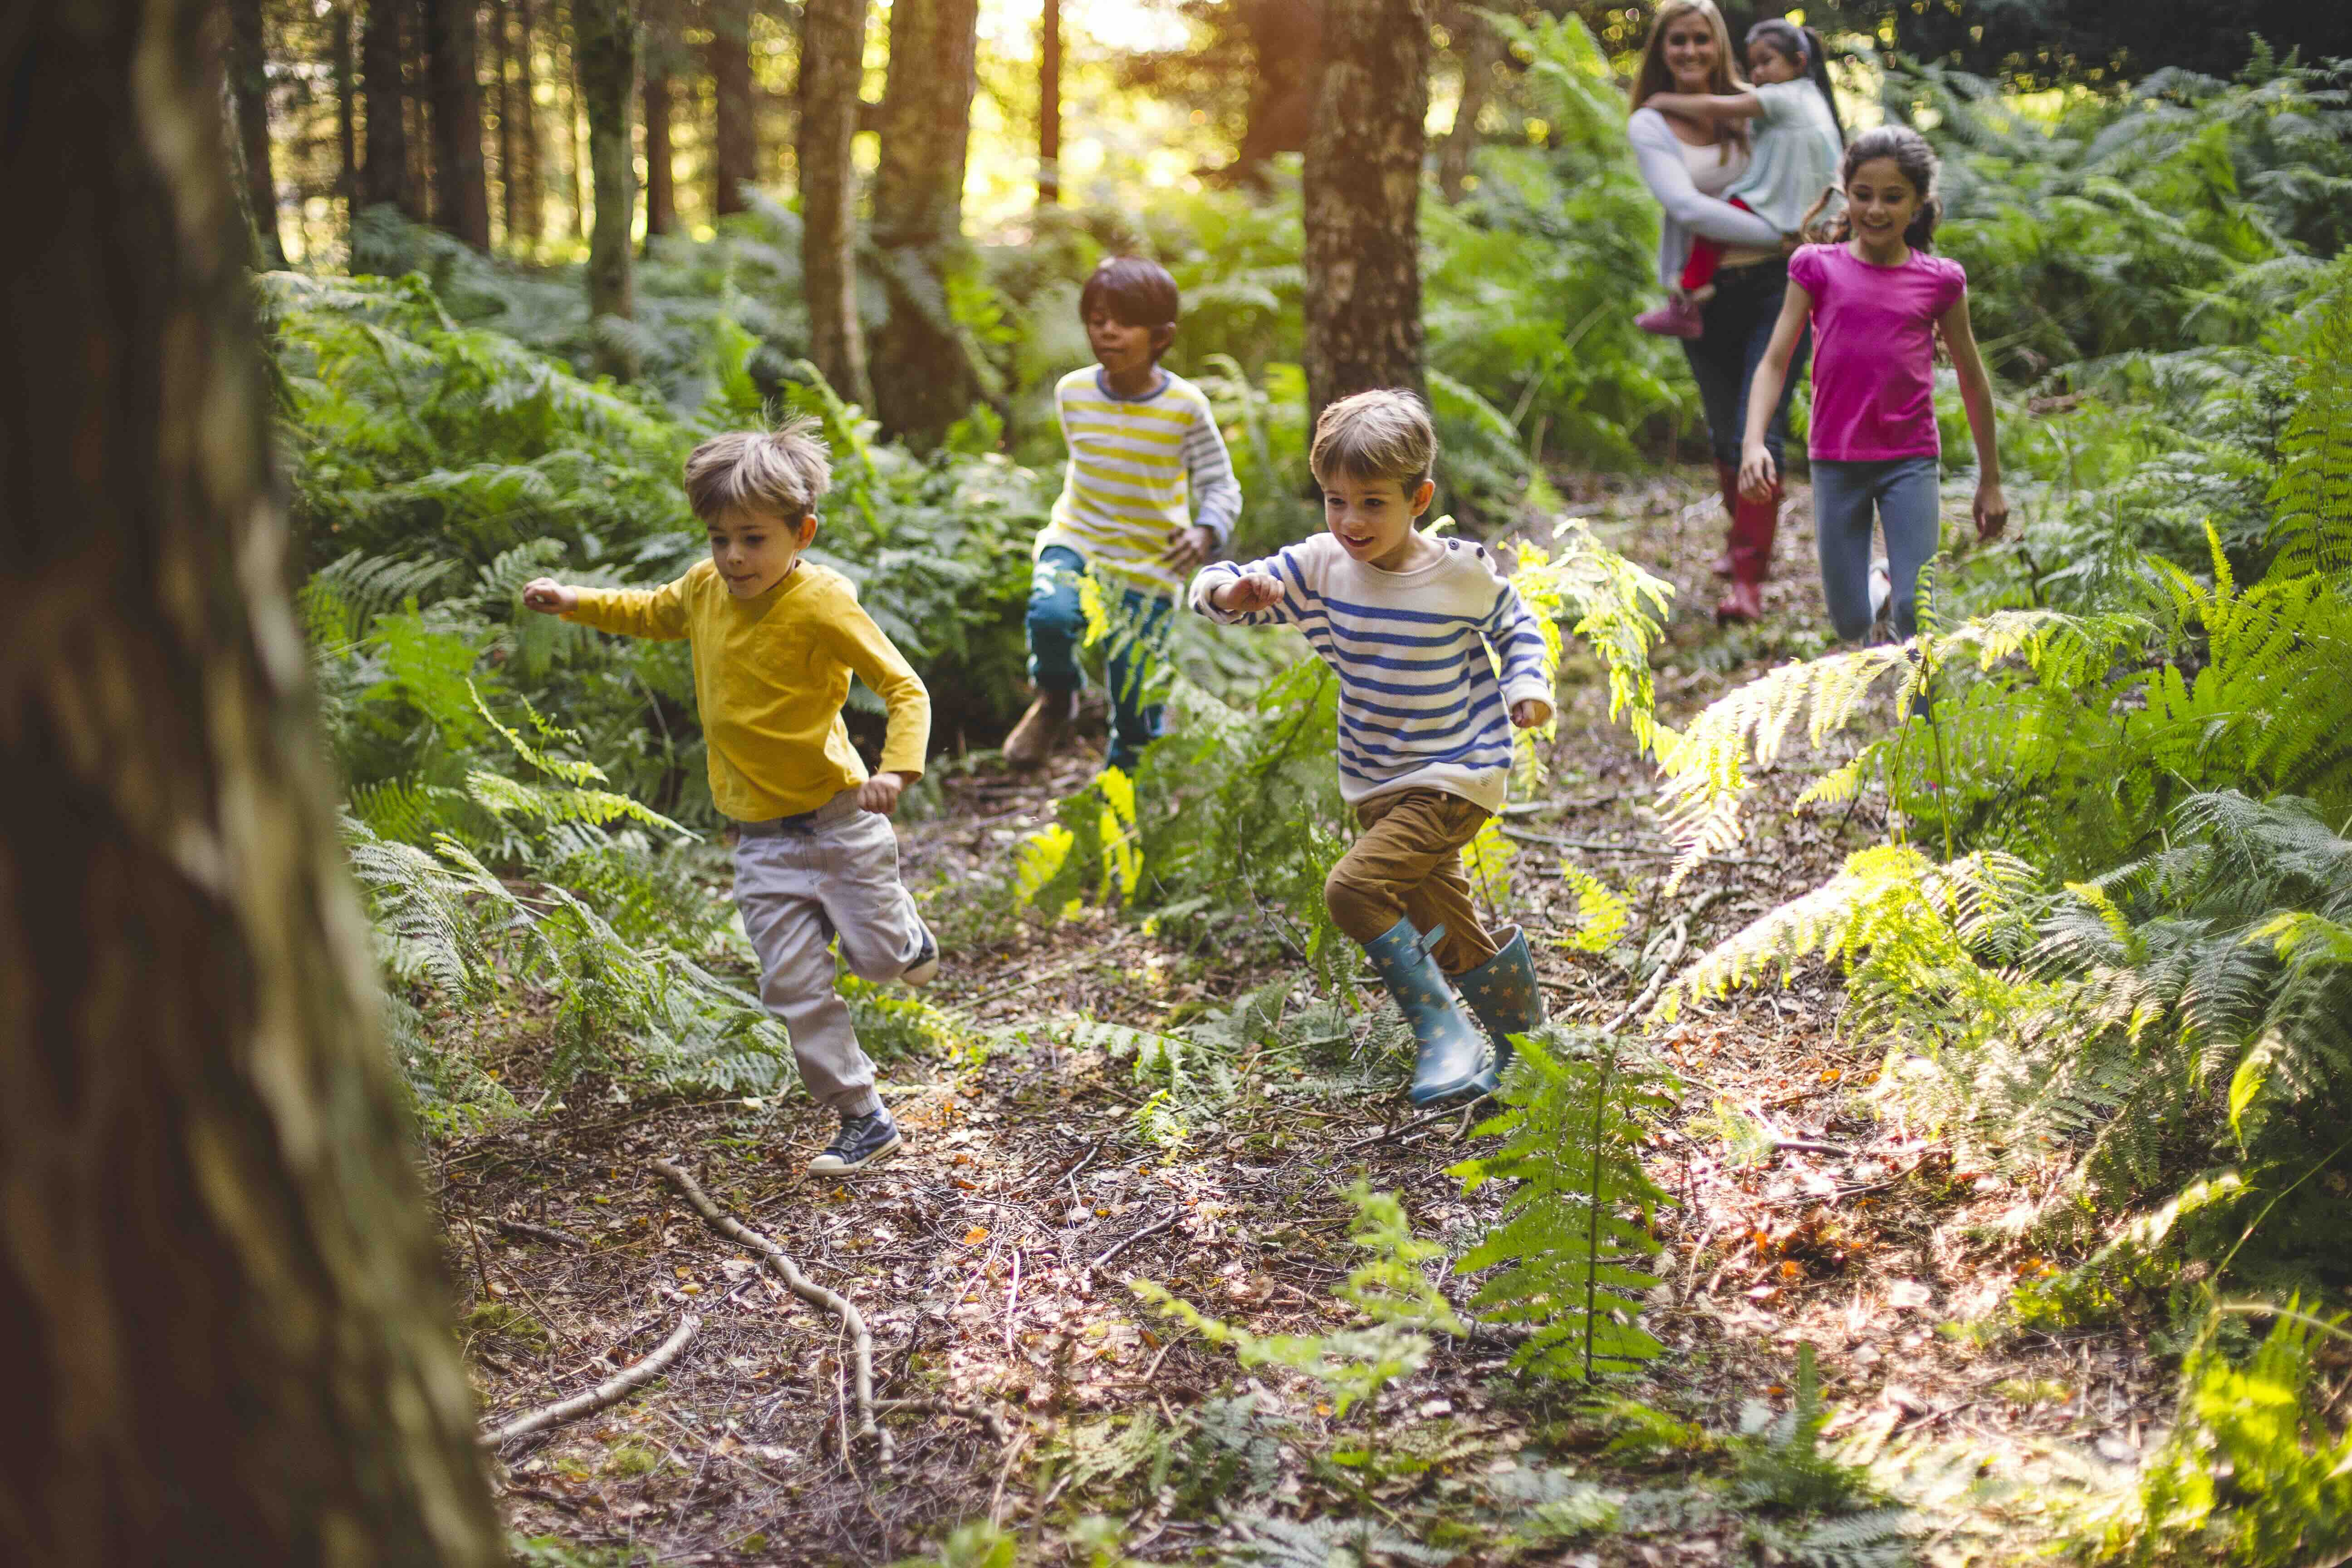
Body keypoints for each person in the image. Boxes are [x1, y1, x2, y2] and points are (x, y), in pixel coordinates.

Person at [520, 420, 938, 1178]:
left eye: (751, 539)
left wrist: (897, 771)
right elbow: (651, 611)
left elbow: (904, 688)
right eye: (718, 539)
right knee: (792, 985)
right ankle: (862, 1116)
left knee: (879, 965)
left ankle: (904, 938)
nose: (732, 557)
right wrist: (573, 600)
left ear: (800, 532)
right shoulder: (705, 589)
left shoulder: (821, 605)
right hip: (760, 839)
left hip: (842, 821)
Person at [1189, 391, 1553, 1106]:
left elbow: (1516, 624)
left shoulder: (1456, 573)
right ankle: (1532, 1056)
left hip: (1457, 772)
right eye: (1335, 500)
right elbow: (1211, 582)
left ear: (1419, 498)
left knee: (1352, 890)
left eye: (1373, 503)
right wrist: (1236, 594)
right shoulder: (1324, 564)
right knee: (1446, 929)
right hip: (1377, 781)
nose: (1352, 521)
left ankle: (1442, 1033)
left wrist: (1527, 687)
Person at [1740, 125, 2008, 647]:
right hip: (1836, 460)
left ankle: (1926, 723)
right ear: (1847, 194)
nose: (1877, 210)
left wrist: (1990, 479)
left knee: (1917, 611)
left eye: (1893, 197)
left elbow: (1974, 382)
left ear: (1919, 203)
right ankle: (1879, 583)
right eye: (1863, 196)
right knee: (1849, 621)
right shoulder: (1815, 268)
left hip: (1910, 458)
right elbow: (1774, 361)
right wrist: (1754, 442)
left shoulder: (1940, 281)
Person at [1002, 255, 1242, 774]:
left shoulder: (1186, 407)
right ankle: (1055, 701)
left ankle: (1124, 812)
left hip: (1149, 566)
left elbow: (1220, 484)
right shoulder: (1073, 393)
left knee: (1136, 703)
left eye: (1124, 321)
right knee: (1050, 616)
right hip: (1077, 538)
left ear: (1161, 335)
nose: (1107, 331)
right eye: (1097, 319)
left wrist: (1207, 531)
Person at [1626, 0, 1818, 625]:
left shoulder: (1756, 105)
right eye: (1677, 41)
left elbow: (1809, 157)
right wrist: (1781, 232)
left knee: (1756, 429)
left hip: (1778, 288)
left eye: (1701, 41)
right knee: (1722, 431)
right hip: (1703, 298)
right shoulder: (1652, 123)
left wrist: (1813, 233)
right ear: (1662, 50)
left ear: (1719, 48)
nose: (1689, 53)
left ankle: (1748, 579)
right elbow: (1686, 207)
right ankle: (1748, 540)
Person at [1635, 18, 1845, 338]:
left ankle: (1688, 299)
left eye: (1766, 62)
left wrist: (1665, 101)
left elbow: (1715, 107)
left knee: (1715, 222)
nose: (1758, 74)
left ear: (1798, 62)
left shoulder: (1778, 97)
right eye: (1754, 66)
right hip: (1807, 204)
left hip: (1781, 242)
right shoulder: (1812, 96)